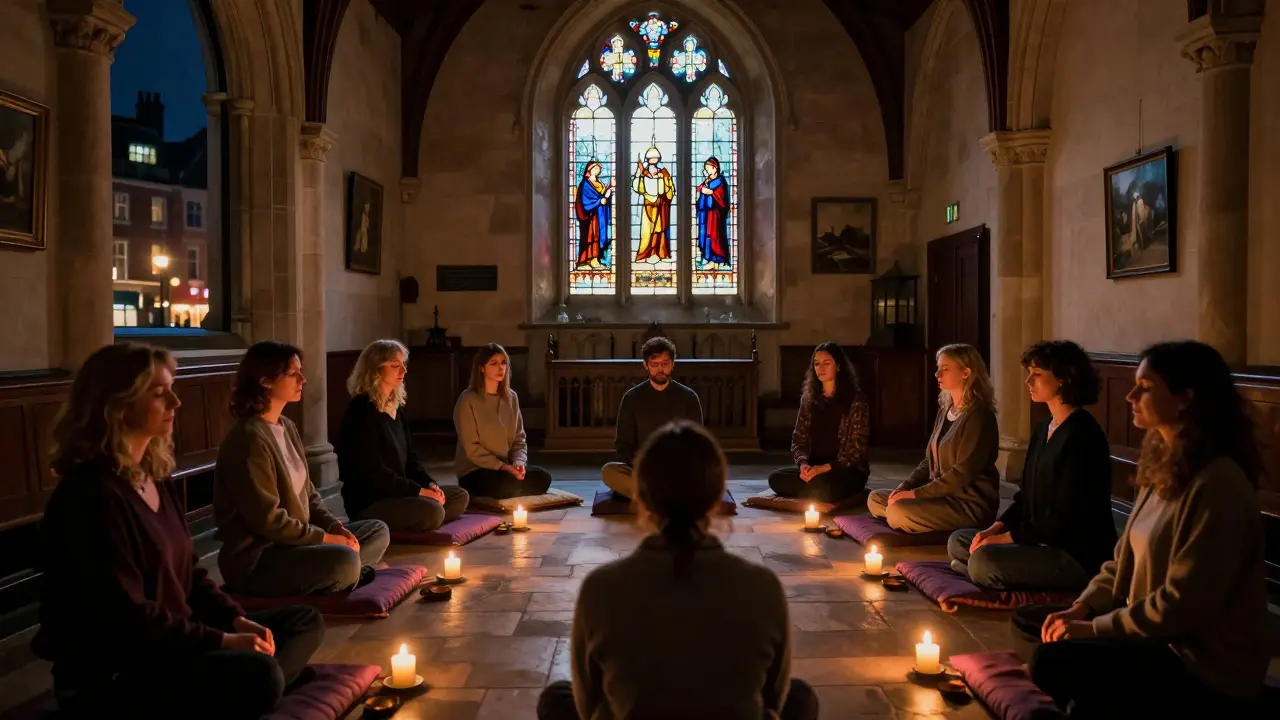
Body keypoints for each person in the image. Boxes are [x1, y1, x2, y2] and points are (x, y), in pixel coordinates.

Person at [33, 343, 324, 719]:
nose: (176, 402)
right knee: (263, 672)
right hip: (121, 670)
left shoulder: (155, 477)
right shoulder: (91, 497)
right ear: (114, 405)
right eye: (159, 393)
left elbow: (193, 574)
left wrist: (236, 619)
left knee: (303, 622)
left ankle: (260, 688)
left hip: (179, 638)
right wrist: (222, 640)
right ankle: (267, 685)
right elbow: (127, 618)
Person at [1023, 341, 1268, 716]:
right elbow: (1121, 558)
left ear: (1185, 397)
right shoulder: (1164, 462)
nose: (1130, 395)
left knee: (1050, 660)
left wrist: (1095, 629)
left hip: (1197, 664)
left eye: (1145, 387)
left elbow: (1182, 606)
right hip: (1145, 632)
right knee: (1036, 623)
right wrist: (1082, 607)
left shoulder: (1218, 485)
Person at [537, 420, 819, 720]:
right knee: (799, 697)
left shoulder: (601, 587)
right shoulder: (763, 586)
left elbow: (587, 704)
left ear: (642, 498)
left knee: (556, 699)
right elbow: (772, 698)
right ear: (717, 497)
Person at [214, 341, 390, 597]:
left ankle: (347, 573)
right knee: (345, 560)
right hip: (263, 556)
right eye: (293, 373)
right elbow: (269, 521)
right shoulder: (249, 439)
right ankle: (348, 573)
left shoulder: (286, 426)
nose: (303, 379)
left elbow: (310, 496)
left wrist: (335, 528)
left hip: (300, 544)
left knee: (376, 531)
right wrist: (326, 540)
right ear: (266, 380)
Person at [947, 341, 1115, 590]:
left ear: (1063, 379)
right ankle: (977, 569)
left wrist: (1004, 540)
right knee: (959, 540)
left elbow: (1064, 520)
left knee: (985, 559)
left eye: (1037, 374)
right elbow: (1025, 498)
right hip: (1036, 541)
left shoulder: (1083, 436)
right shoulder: (1042, 429)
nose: (1028, 381)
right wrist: (996, 527)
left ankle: (978, 571)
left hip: (1073, 554)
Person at [339, 339, 470, 532]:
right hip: (372, 500)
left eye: (403, 365)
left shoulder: (395, 407)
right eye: (395, 365)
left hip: (401, 493)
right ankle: (404, 519)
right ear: (375, 369)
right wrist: (418, 491)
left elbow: (411, 458)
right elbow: (373, 472)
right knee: (433, 511)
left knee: (459, 496)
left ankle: (420, 514)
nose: (403, 371)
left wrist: (429, 484)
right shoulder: (361, 410)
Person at [867, 343, 999, 533]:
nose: (937, 374)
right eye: (938, 369)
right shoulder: (946, 410)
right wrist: (905, 486)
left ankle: (907, 518)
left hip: (966, 503)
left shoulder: (979, 416)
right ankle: (911, 517)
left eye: (945, 369)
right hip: (939, 496)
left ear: (966, 373)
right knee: (876, 499)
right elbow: (929, 461)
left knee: (897, 510)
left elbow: (961, 474)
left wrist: (914, 495)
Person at [766, 342, 870, 503]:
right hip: (814, 469)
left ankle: (819, 490)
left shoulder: (855, 402)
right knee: (775, 479)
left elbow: (855, 451)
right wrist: (803, 465)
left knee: (827, 487)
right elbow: (798, 440)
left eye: (826, 363)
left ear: (838, 366)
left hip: (845, 470)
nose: (820, 368)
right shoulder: (808, 400)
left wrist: (823, 469)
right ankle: (815, 490)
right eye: (816, 364)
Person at [602, 336, 703, 500]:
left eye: (665, 364)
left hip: (678, 470)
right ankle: (664, 497)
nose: (660, 369)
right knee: (610, 472)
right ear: (645, 365)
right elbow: (623, 445)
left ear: (672, 364)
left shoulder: (689, 397)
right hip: (644, 470)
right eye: (654, 365)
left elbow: (697, 442)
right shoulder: (632, 398)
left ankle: (649, 496)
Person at [454, 343, 554, 499]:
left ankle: (513, 487)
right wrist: (503, 467)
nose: (500, 368)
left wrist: (518, 463)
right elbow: (472, 449)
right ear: (482, 368)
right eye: (494, 364)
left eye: (503, 363)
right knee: (506, 485)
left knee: (543, 477)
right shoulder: (467, 400)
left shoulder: (511, 397)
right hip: (476, 470)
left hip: (507, 469)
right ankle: (510, 489)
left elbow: (519, 439)